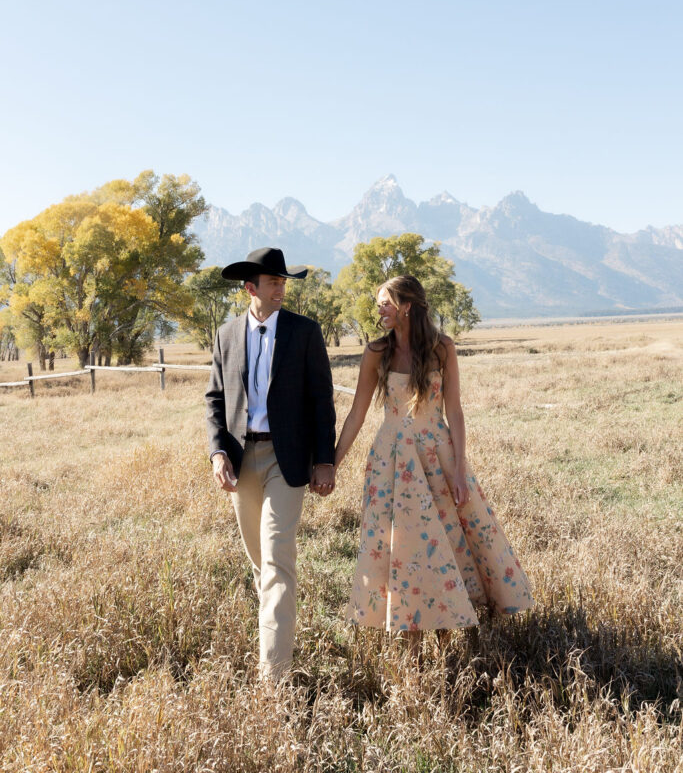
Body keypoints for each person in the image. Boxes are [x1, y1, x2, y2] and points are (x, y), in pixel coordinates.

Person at [334, 274, 533, 634]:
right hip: (391, 460)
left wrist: (459, 470)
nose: (379, 309)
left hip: (437, 455)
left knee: (446, 540)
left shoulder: (443, 348)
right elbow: (357, 414)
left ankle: (446, 623)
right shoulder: (376, 352)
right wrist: (332, 464)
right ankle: (405, 627)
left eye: (385, 302)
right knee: (398, 544)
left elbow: (454, 412)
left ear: (406, 306)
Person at [206, 246, 336, 681]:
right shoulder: (226, 335)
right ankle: (277, 642)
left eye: (284, 282)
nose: (282, 289)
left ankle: (272, 679)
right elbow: (215, 400)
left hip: (289, 460)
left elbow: (322, 401)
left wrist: (325, 461)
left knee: (278, 559)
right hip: (242, 461)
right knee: (261, 565)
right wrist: (217, 452)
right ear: (250, 288)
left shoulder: (305, 332)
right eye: (274, 282)